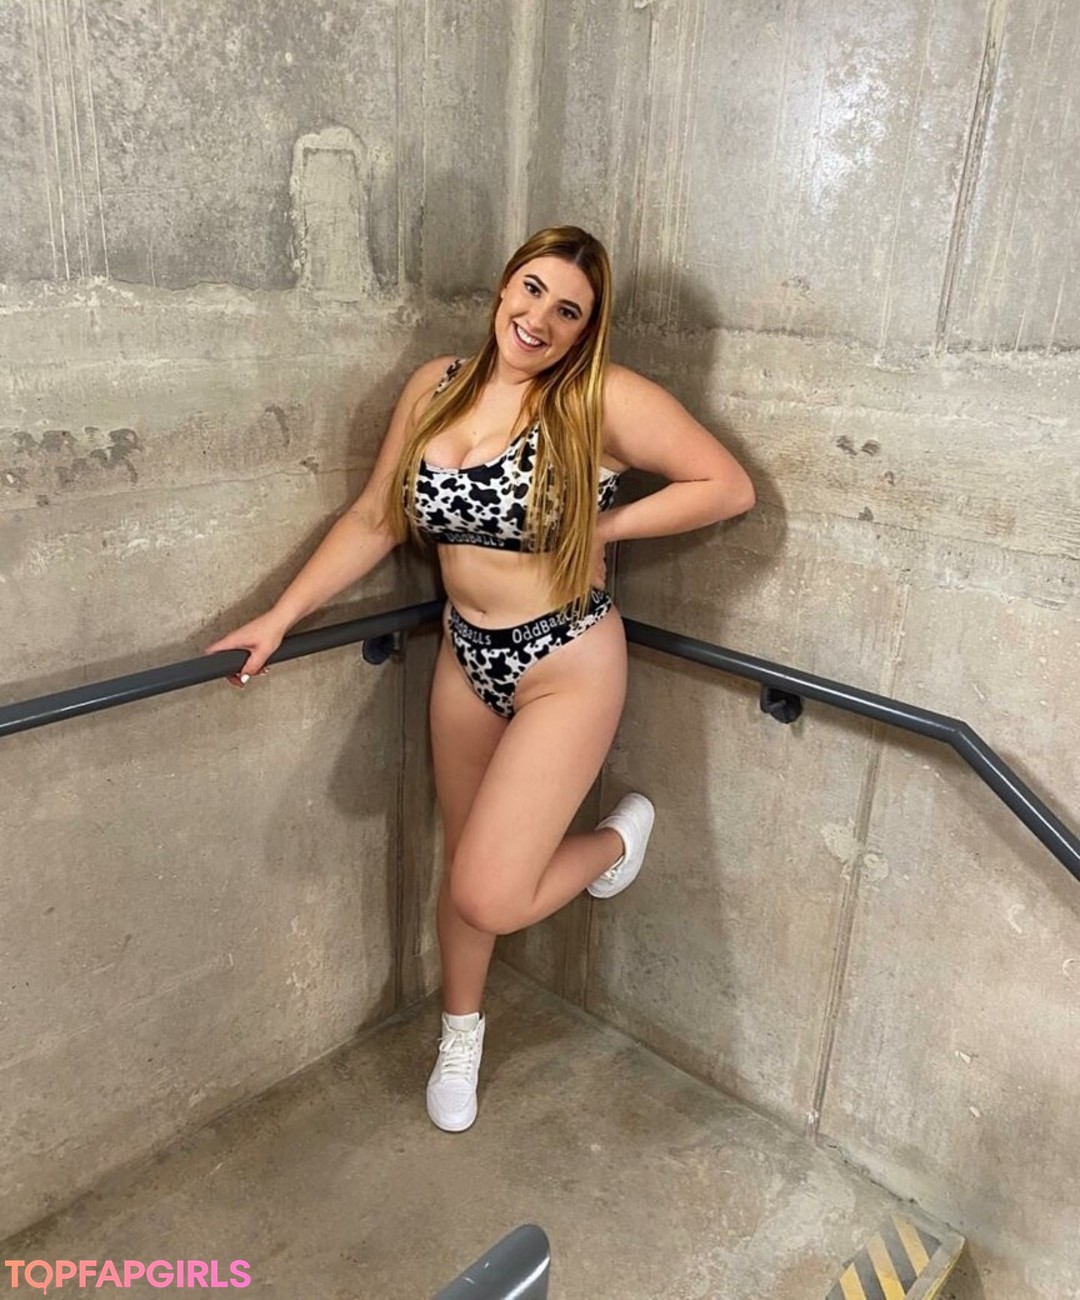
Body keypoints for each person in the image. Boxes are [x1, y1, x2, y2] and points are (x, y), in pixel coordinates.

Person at [207, 225, 755, 1133]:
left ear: (586, 330)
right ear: (505, 286)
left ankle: (615, 843)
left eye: (568, 311)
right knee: (463, 863)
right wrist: (279, 616)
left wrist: (599, 526)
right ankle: (461, 1034)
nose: (540, 318)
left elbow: (725, 486)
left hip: (566, 660)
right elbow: (377, 517)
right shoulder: (437, 385)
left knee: (488, 891)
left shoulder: (597, 401)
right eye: (532, 289)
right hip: (466, 654)